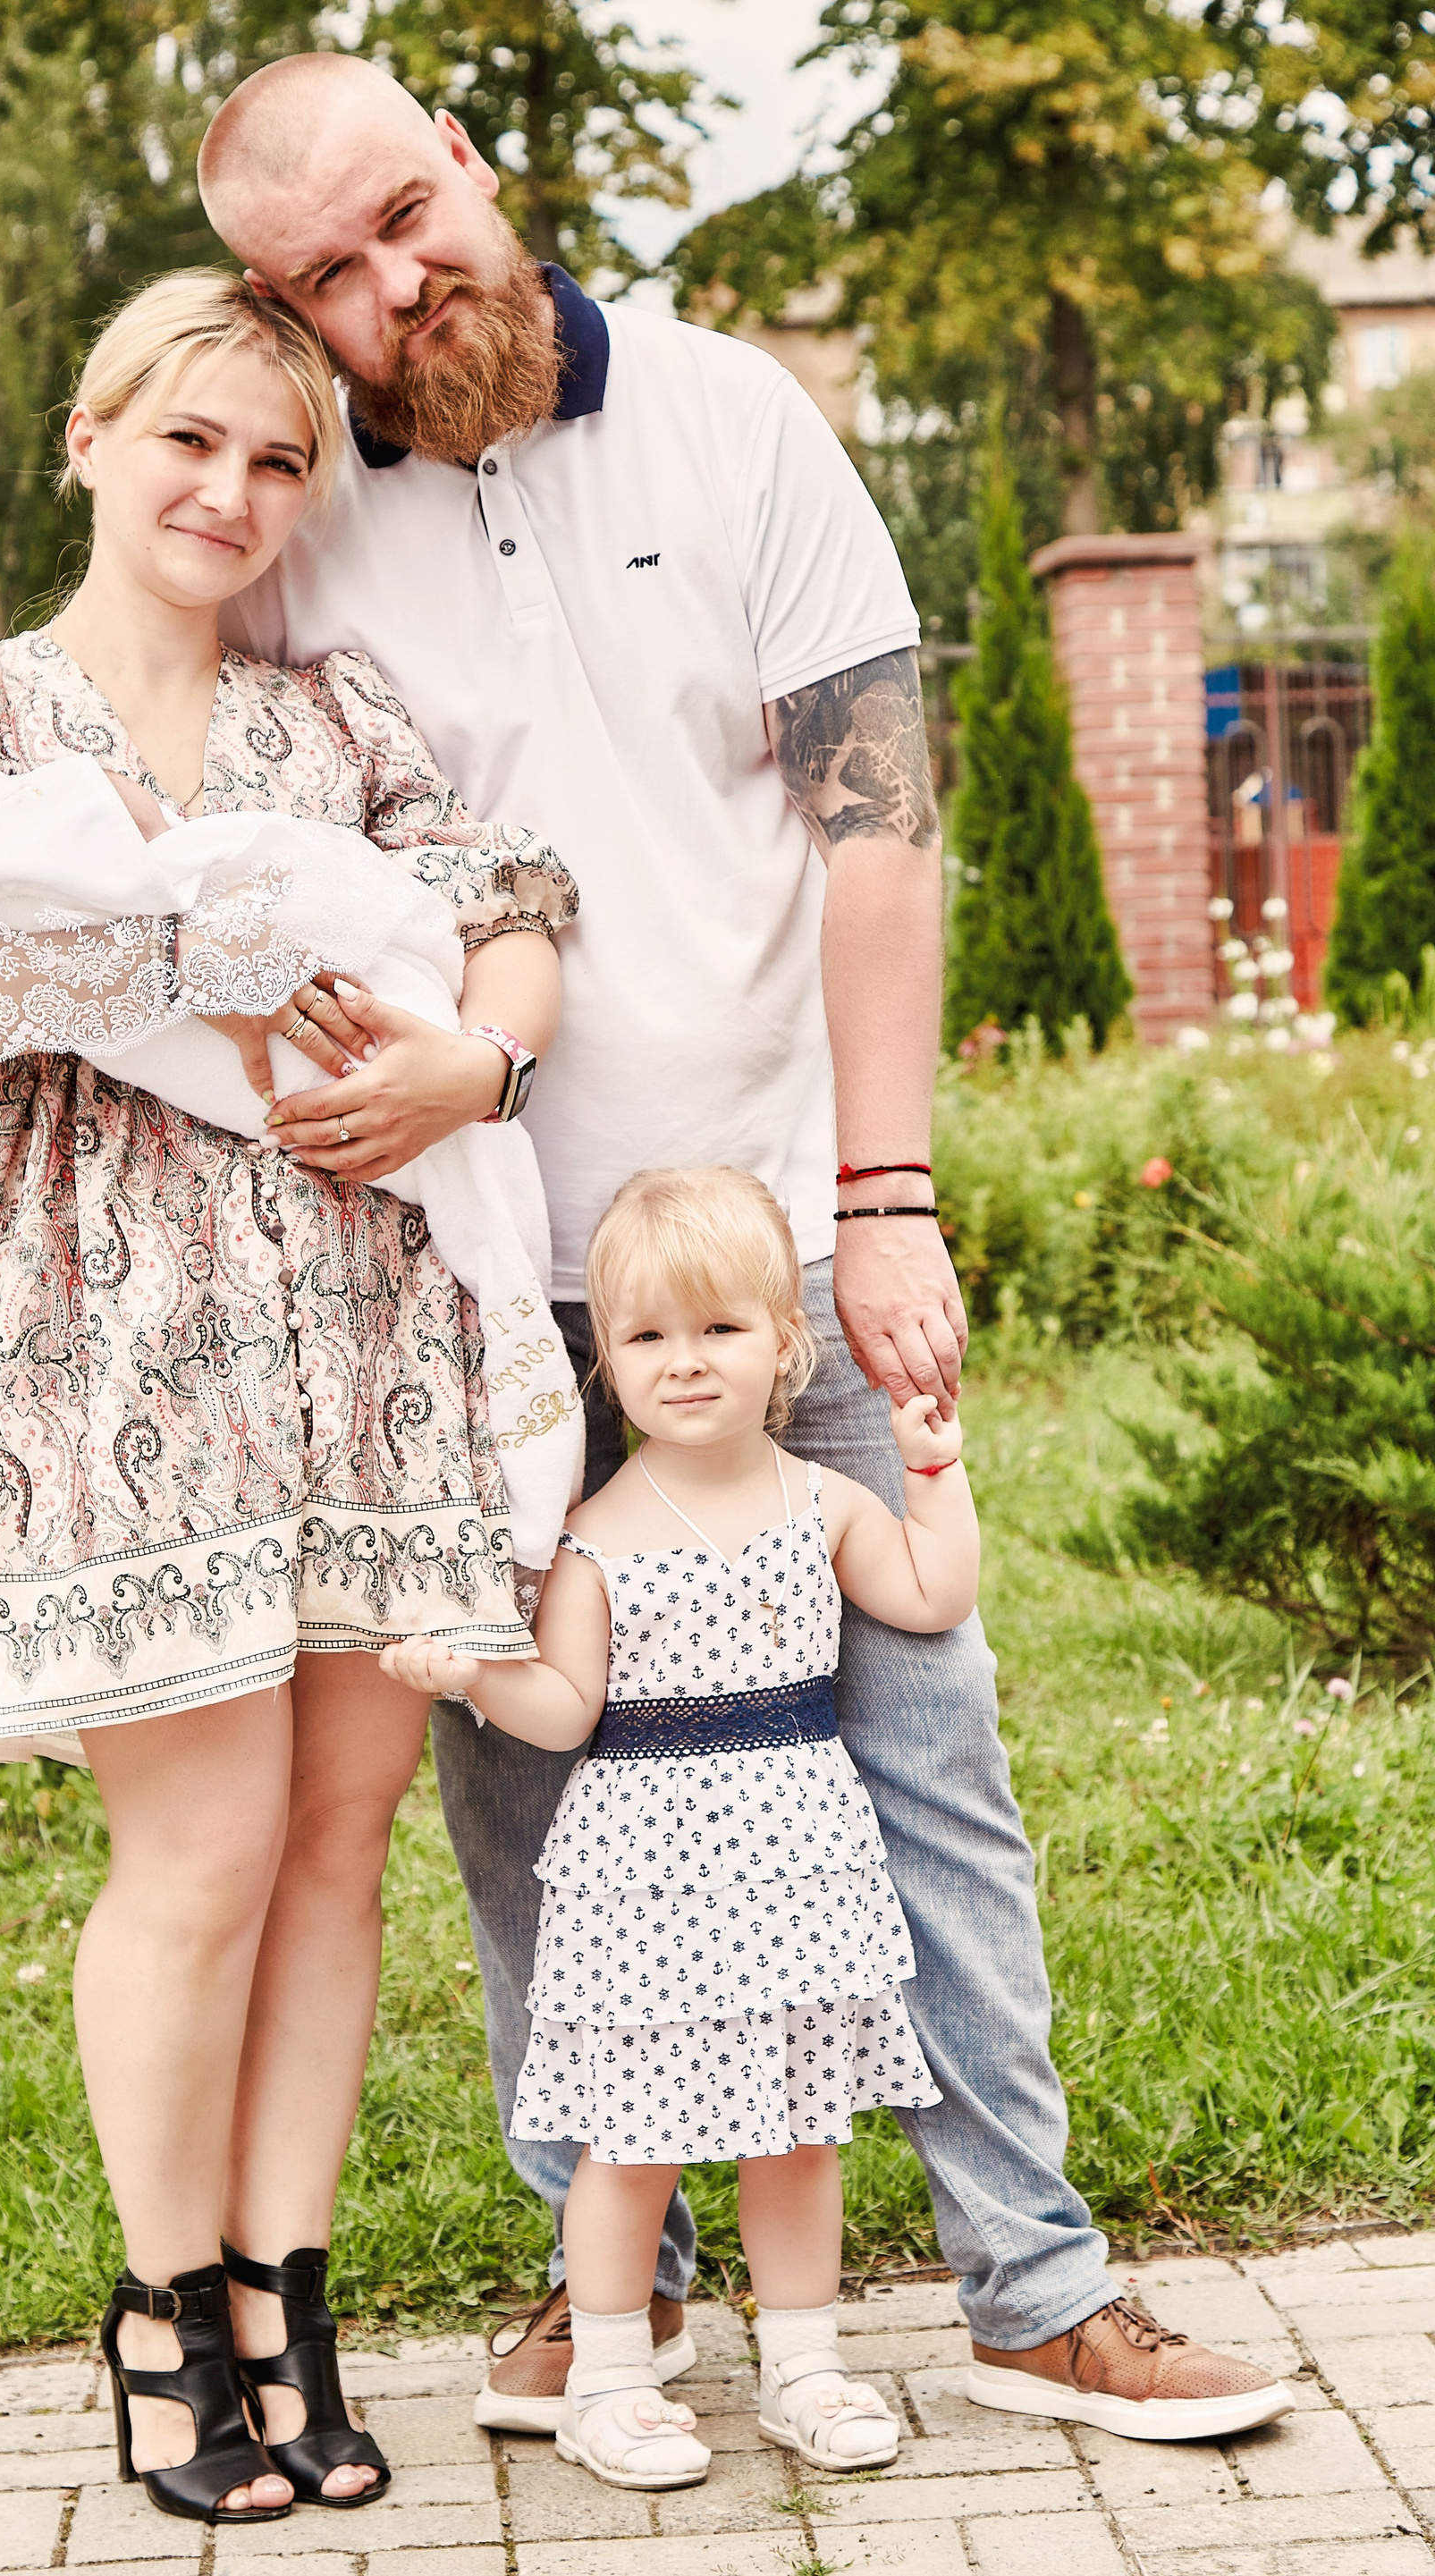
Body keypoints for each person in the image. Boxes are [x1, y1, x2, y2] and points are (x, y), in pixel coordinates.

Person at [197, 52, 1294, 2443]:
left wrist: (883, 1199)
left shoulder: (733, 417)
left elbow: (873, 824)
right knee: (535, 1799)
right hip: (480, 1273)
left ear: (466, 157)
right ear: (287, 308)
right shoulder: (295, 522)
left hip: (768, 1241)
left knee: (921, 1752)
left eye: (404, 216)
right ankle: (625, 2285)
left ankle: (1032, 2283)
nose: (396, 287)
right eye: (327, 278)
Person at [0, 271, 576, 2521]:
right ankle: (158, 2307)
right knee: (202, 1846)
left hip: (364, 1310)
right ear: (91, 439)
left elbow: (517, 901)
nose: (231, 489)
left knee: (335, 1837)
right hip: (111, 1314)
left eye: (279, 458)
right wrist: (190, 977)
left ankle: (284, 2299)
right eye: (190, 439)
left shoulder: (338, 719)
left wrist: (479, 1057)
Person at [384, 1167, 985, 2488]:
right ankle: (609, 2378)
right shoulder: (594, 1538)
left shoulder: (823, 1502)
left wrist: (932, 1468)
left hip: (798, 1864)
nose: (686, 1360)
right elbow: (563, 1710)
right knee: (633, 2137)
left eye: (720, 1327)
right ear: (608, 1358)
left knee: (799, 2130)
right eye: (649, 1334)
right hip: (645, 1880)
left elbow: (932, 1595)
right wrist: (472, 1672)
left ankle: (804, 2367)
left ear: (787, 1339)